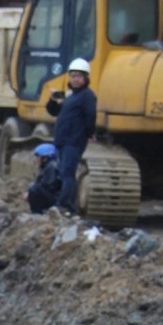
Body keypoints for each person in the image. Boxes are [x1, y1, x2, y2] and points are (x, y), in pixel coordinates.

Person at [46, 57, 97, 215]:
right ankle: (68, 206)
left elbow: (91, 116)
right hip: (63, 141)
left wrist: (89, 133)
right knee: (64, 173)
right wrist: (52, 101)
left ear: (85, 78)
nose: (75, 79)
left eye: (78, 76)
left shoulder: (87, 95)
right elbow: (55, 111)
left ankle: (65, 205)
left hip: (74, 141)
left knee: (68, 173)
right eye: (73, 76)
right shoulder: (71, 96)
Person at [24, 143, 61, 213]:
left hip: (55, 199)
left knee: (34, 190)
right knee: (32, 188)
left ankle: (38, 213)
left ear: (45, 159)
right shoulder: (46, 166)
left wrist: (30, 191)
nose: (36, 159)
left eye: (38, 157)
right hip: (51, 196)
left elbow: (48, 186)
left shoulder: (52, 167)